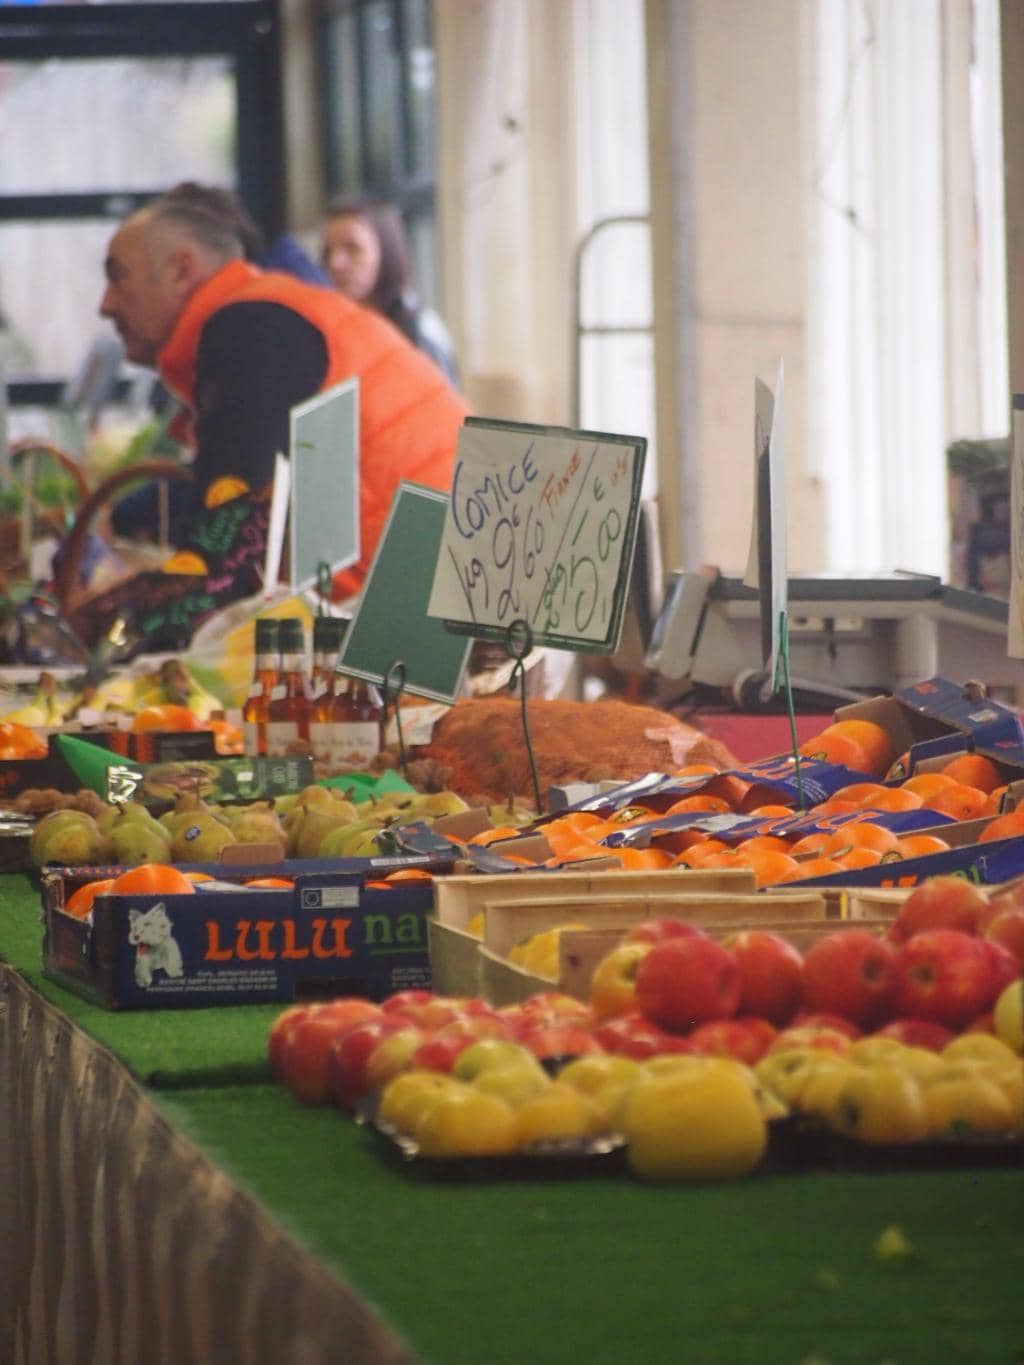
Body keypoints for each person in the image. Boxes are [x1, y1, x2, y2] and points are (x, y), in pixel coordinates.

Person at [99, 184, 468, 602]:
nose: (105, 305)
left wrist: (116, 631)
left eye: (117, 278)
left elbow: (224, 554)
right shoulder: (273, 310)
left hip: (408, 607)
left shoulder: (248, 329)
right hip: (446, 572)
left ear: (181, 272)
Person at [321, 198, 459, 384]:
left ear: (386, 252)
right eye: (328, 251)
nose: (335, 263)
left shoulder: (420, 329)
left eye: (352, 249)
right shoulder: (330, 330)